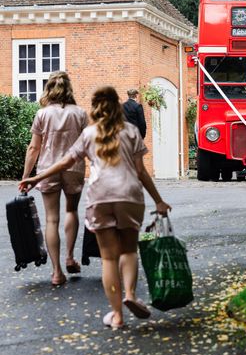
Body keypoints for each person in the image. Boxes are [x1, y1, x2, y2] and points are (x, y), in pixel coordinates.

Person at [20, 86, 171, 329]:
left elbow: (65, 162)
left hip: (100, 198)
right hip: (129, 197)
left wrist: (35, 178)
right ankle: (130, 295)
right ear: (117, 106)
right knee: (129, 252)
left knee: (109, 259)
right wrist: (159, 201)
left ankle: (117, 316)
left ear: (96, 108)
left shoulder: (90, 134)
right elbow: (141, 172)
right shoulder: (131, 131)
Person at [21, 71, 88, 286]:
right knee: (71, 211)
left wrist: (26, 177)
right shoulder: (80, 113)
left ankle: (57, 272)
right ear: (69, 89)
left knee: (51, 219)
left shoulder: (42, 114)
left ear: (49, 89)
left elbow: (34, 148)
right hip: (74, 168)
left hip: (47, 168)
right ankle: (70, 257)